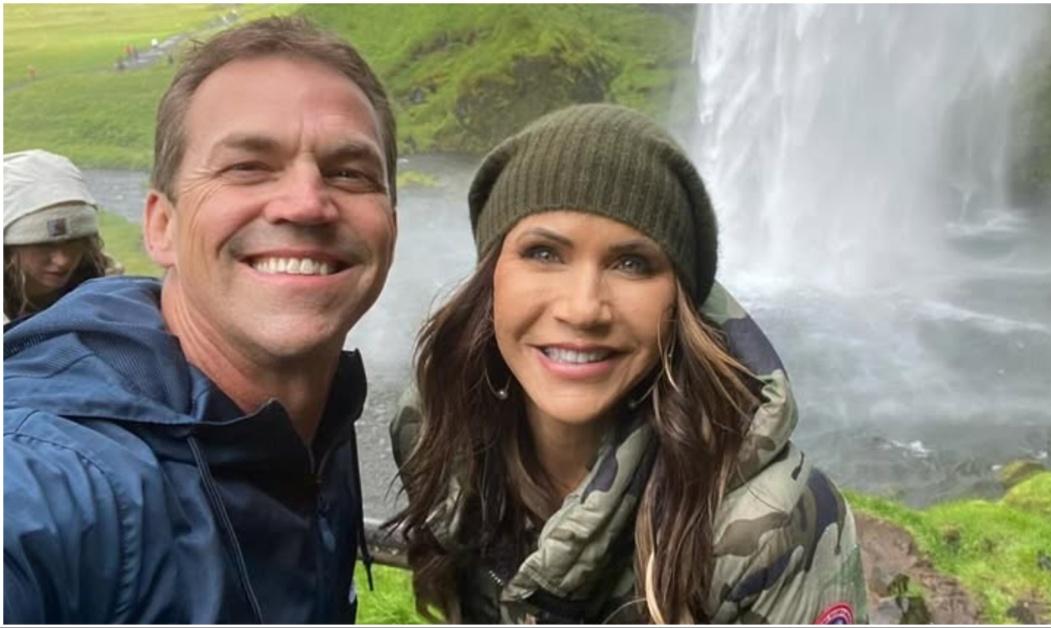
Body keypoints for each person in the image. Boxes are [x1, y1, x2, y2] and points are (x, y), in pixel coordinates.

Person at [389, 104, 868, 624]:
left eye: (632, 263)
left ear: (681, 305)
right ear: (492, 276)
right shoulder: (438, 438)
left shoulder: (775, 523)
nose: (583, 308)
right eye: (544, 253)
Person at [4, 16, 398, 623]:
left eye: (350, 172)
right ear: (160, 226)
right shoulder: (51, 474)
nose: (307, 203)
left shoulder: (315, 421)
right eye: (247, 165)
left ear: (391, 221)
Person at [4, 149, 122, 322]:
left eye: (73, 242)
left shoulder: (114, 298)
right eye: (44, 245)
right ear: (8, 248)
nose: (63, 260)